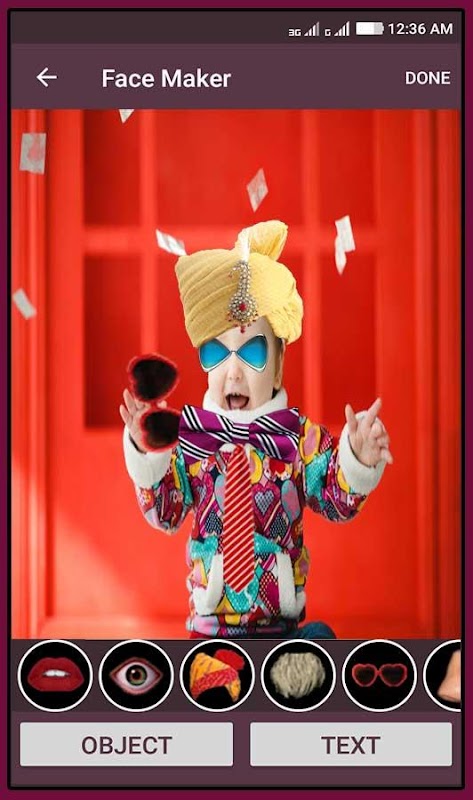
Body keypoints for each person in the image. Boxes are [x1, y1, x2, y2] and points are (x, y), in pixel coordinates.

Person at [120, 220, 393, 639]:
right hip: (209, 630)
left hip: (281, 626)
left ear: (279, 365)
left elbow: (337, 499)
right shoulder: (193, 440)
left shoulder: (297, 438)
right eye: (216, 352)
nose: (233, 373)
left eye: (251, 352)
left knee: (319, 641)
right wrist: (147, 452)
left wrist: (357, 458)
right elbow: (165, 512)